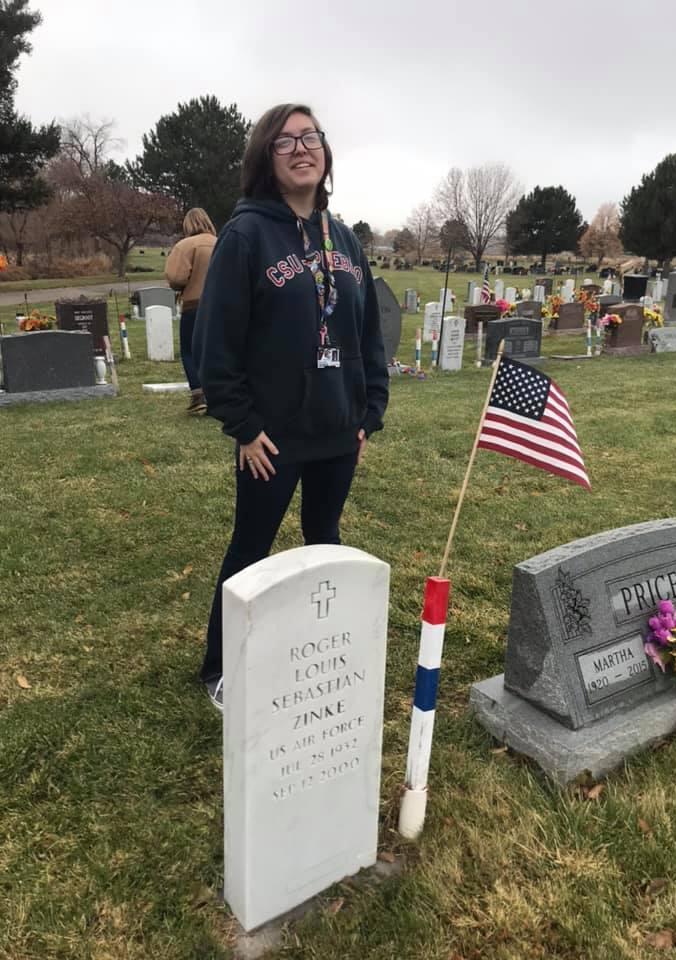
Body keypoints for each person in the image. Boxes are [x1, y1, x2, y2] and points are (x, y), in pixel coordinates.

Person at [193, 103, 389, 711]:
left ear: (325, 152)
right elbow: (215, 344)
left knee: (323, 543)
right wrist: (244, 427)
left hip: (338, 429)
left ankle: (312, 649)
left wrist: (369, 412)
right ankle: (219, 670)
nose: (302, 149)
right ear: (265, 159)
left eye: (311, 138)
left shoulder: (346, 237)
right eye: (285, 142)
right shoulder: (246, 235)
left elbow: (368, 332)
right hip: (271, 438)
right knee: (251, 550)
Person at [165, 207, 217, 414]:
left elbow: (176, 277)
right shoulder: (222, 241)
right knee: (216, 350)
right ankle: (218, 395)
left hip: (194, 305)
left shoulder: (185, 246)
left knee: (190, 350)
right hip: (221, 304)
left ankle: (199, 394)